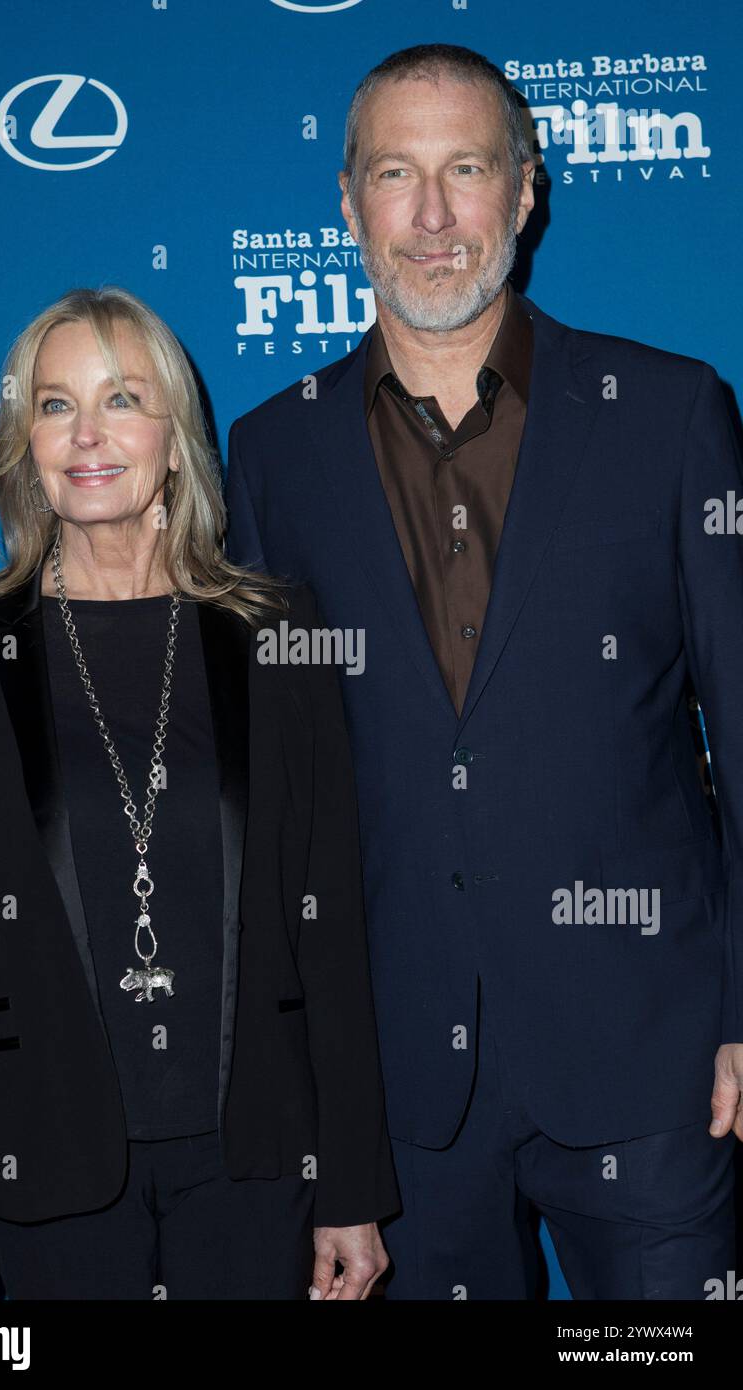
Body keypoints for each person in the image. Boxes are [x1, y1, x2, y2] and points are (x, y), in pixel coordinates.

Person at [224, 44, 743, 1299]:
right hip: (400, 1091)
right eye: (397, 174)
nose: (436, 216)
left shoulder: (670, 414)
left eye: (468, 170)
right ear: (348, 202)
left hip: (654, 1060)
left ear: (526, 193)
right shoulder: (273, 451)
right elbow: (267, 800)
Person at [0, 285, 399, 1301]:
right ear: (22, 443)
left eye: (122, 398)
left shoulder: (278, 634)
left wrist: (352, 1184)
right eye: (55, 404)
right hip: (42, 1169)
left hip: (255, 1163)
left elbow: (332, 929)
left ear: (174, 436)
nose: (88, 434)